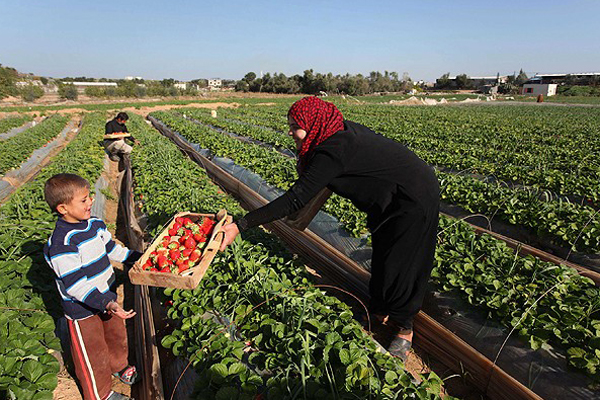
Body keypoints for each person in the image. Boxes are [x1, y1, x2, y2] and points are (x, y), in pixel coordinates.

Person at [219, 96, 440, 360]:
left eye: (294, 125)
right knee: (382, 252)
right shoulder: (333, 131)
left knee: (402, 263)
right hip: (388, 199)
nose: (290, 132)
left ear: (314, 124)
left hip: (413, 197)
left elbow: (295, 199)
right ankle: (379, 310)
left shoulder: (333, 151)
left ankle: (404, 329)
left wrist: (242, 225)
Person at [43, 173, 142, 400]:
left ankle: (119, 366)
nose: (90, 202)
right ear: (63, 208)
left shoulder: (95, 224)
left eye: (89, 197)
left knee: (116, 335)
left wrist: (137, 258)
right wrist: (105, 302)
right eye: (84, 200)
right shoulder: (61, 244)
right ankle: (100, 394)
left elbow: (112, 249)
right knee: (92, 353)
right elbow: (76, 286)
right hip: (82, 310)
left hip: (106, 295)